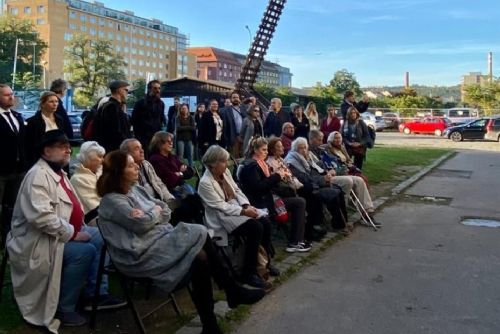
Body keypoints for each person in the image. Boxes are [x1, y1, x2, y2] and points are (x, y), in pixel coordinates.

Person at [96, 150, 265, 334]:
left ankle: (211, 325)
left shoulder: (137, 190)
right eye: (130, 165)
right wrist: (154, 212)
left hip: (159, 239)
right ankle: (232, 290)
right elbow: (142, 224)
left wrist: (153, 212)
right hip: (140, 254)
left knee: (200, 258)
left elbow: (165, 210)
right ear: (117, 173)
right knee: (199, 231)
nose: (137, 166)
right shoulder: (112, 201)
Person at [7, 130, 124, 332]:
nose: (68, 150)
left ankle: (94, 293)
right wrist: (72, 233)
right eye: (62, 147)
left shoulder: (58, 173)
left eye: (68, 146)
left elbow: (72, 205)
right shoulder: (37, 176)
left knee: (103, 236)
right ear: (46, 151)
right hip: (39, 240)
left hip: (62, 232)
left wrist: (81, 227)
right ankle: (65, 308)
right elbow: (42, 218)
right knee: (84, 252)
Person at [198, 145, 272, 288]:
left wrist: (245, 205)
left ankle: (264, 263)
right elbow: (221, 206)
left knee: (265, 222)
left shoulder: (224, 173)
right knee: (255, 227)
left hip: (235, 209)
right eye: (223, 162)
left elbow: (237, 190)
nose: (226, 165)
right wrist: (243, 212)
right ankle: (248, 273)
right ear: (213, 163)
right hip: (222, 217)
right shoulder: (205, 183)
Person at [238, 137, 310, 253]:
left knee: (300, 198)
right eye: (263, 150)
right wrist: (277, 176)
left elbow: (266, 184)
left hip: (268, 198)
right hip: (261, 203)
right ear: (255, 150)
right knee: (299, 202)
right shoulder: (252, 166)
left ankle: (299, 239)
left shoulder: (260, 163)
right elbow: (259, 187)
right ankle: (295, 241)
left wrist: (279, 177)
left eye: (266, 150)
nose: (266, 152)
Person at [308, 130, 380, 227]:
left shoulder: (322, 149)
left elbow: (333, 162)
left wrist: (336, 168)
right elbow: (315, 169)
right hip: (323, 178)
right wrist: (329, 171)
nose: (321, 142)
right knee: (348, 181)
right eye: (319, 140)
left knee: (359, 180)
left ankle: (367, 212)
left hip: (334, 173)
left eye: (322, 140)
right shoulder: (309, 151)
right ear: (311, 140)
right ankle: (343, 213)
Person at [285, 137, 350, 235]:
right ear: (295, 149)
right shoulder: (292, 161)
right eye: (300, 148)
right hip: (306, 189)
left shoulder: (305, 158)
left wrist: (325, 175)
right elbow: (304, 179)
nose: (303, 150)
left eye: (305, 147)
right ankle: (339, 224)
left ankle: (342, 222)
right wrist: (323, 179)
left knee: (338, 190)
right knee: (334, 193)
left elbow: (316, 170)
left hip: (315, 184)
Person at [0, 84, 27, 246]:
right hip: (2, 170)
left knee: (15, 206)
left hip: (19, 169)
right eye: (6, 95)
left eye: (12, 94)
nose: (11, 97)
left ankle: (9, 236)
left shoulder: (17, 116)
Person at [25, 91, 65, 168]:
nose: (55, 104)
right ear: (43, 104)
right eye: (51, 101)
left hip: (58, 158)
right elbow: (29, 145)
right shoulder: (32, 122)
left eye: (56, 101)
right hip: (40, 160)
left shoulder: (60, 120)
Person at [70, 141, 106, 223]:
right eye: (100, 157)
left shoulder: (101, 172)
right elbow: (94, 207)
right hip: (95, 220)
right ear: (89, 158)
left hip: (109, 213)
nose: (103, 160)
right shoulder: (78, 179)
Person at [93, 80, 131, 153]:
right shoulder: (112, 107)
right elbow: (115, 131)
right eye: (125, 90)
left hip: (113, 148)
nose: (127, 92)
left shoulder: (111, 106)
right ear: (119, 90)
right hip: (114, 149)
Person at [131, 79, 166, 157]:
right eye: (155, 88)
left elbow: (161, 119)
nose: (158, 90)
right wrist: (139, 135)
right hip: (143, 137)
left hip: (156, 137)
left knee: (156, 157)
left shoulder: (161, 104)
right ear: (150, 89)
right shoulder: (140, 103)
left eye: (159, 88)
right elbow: (134, 120)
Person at [221, 91, 247, 159]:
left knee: (245, 155)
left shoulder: (244, 108)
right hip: (234, 137)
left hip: (244, 136)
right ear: (231, 99)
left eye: (237, 97)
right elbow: (225, 126)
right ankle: (237, 169)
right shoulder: (226, 110)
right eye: (234, 97)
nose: (235, 99)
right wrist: (226, 138)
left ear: (239, 99)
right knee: (235, 157)